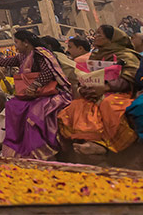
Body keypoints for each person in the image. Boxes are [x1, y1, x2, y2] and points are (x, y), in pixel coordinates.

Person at [58, 25, 140, 154]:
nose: (94, 37)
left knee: (109, 104)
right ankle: (90, 141)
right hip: (96, 91)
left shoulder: (126, 55)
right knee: (78, 105)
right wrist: (84, 89)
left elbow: (130, 78)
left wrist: (105, 87)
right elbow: (85, 76)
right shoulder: (96, 56)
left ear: (111, 39)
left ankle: (107, 144)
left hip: (120, 92)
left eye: (99, 35)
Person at [0, 30, 71, 159]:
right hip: (30, 95)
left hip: (47, 94)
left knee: (34, 112)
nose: (15, 46)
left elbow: (48, 72)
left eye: (17, 42)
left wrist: (34, 86)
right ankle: (17, 146)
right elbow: (5, 62)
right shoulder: (22, 56)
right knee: (11, 105)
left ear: (26, 43)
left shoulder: (40, 53)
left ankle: (36, 148)